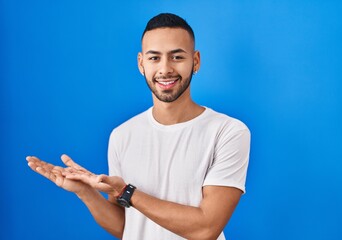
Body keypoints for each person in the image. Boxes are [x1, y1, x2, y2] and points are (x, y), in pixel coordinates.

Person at [26, 13, 251, 240]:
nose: (165, 69)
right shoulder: (122, 135)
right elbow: (126, 226)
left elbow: (206, 228)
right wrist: (86, 192)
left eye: (177, 57)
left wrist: (127, 192)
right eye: (154, 58)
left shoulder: (228, 132)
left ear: (196, 61)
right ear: (141, 63)